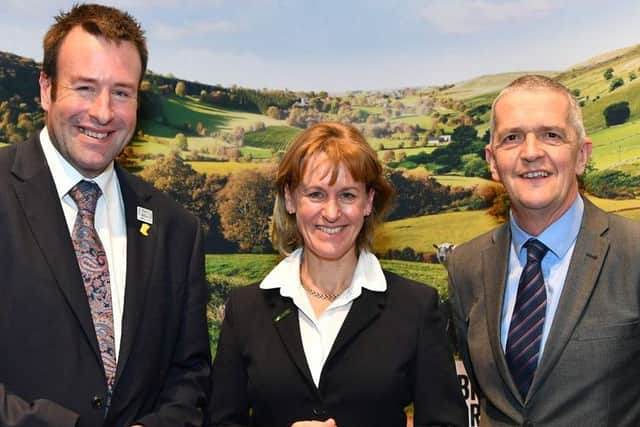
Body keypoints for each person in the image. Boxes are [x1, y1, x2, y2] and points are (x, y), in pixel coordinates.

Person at [0, 4, 210, 426]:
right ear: (46, 88)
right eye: (84, 87)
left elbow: (190, 378)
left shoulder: (175, 229)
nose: (102, 111)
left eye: (121, 92)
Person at [209, 122, 467, 427]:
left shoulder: (416, 306)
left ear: (368, 201)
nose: (332, 213)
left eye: (347, 195)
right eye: (316, 194)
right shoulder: (247, 307)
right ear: (291, 199)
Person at [447, 75, 640, 426]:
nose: (531, 152)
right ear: (492, 161)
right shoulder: (465, 266)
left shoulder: (634, 253)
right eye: (512, 138)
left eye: (551, 135)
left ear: (581, 155)